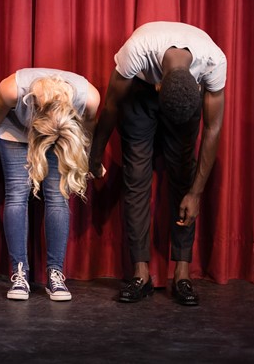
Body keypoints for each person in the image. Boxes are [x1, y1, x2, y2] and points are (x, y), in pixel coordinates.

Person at [89, 21, 226, 306]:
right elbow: (112, 105)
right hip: (139, 94)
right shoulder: (137, 50)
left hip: (184, 97)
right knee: (136, 177)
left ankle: (182, 274)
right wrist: (95, 154)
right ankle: (141, 274)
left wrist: (196, 193)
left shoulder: (214, 61)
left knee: (184, 176)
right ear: (159, 84)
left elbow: (212, 129)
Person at [0, 69, 100, 301]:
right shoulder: (12, 89)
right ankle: (19, 273)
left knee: (58, 196)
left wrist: (88, 157)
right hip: (16, 134)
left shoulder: (88, 97)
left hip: (61, 135)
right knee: (17, 194)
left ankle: (55, 272)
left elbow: (89, 128)